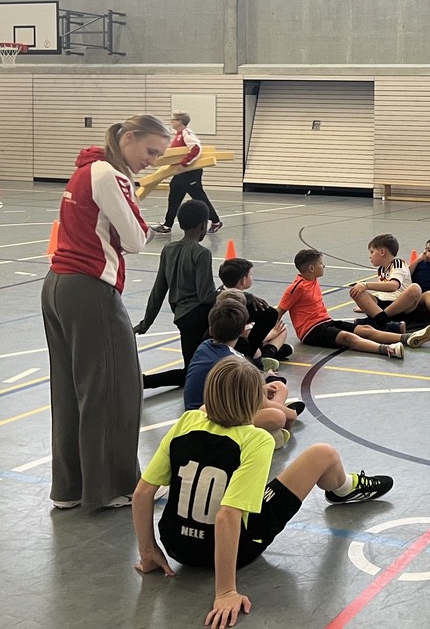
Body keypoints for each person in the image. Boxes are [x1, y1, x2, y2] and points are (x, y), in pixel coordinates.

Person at [132, 357, 393, 628]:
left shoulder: (187, 420)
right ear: (256, 402)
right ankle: (344, 487)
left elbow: (142, 493)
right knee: (323, 453)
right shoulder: (257, 439)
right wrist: (225, 592)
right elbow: (227, 515)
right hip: (236, 548)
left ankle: (343, 486)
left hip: (175, 545)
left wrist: (148, 551)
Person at [42, 113, 173, 511]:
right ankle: (117, 487)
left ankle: (70, 489)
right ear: (128, 138)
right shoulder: (111, 175)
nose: (152, 161)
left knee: (69, 391)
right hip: (90, 291)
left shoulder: (86, 169)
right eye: (151, 151)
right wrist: (140, 216)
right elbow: (135, 240)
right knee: (116, 389)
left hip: (57, 286)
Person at [183, 294, 303, 448]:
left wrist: (262, 390)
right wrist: (291, 415)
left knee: (278, 387)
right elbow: (262, 403)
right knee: (278, 417)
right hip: (211, 418)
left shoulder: (205, 345)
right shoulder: (235, 362)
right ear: (242, 331)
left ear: (211, 329)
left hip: (201, 412)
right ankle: (265, 432)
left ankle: (268, 428)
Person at [277, 249, 430, 358]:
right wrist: (271, 334)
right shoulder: (296, 288)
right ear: (311, 268)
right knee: (347, 338)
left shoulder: (313, 279)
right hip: (311, 331)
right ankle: (386, 349)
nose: (324, 266)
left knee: (366, 329)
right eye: (321, 264)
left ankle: (408, 338)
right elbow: (279, 311)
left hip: (325, 322)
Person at [136, 200, 219, 390]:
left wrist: (146, 323)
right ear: (203, 225)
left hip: (182, 318)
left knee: (191, 370)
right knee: (194, 373)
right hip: (200, 318)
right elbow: (206, 296)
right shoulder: (202, 253)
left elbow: (158, 291)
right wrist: (227, 293)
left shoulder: (168, 250)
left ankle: (141, 382)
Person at [151, 110, 221, 235]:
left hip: (190, 172)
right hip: (180, 172)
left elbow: (196, 149)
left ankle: (215, 221)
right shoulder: (178, 135)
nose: (171, 122)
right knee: (174, 197)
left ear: (180, 121)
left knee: (199, 197)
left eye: (174, 119)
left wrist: (184, 163)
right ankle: (167, 225)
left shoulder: (187, 133)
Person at [217, 257, 292, 363]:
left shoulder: (218, 293)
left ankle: (269, 351)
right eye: (250, 275)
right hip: (240, 344)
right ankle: (267, 354)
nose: (252, 277)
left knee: (282, 332)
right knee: (259, 350)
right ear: (243, 280)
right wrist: (271, 334)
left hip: (241, 339)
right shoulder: (242, 305)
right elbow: (247, 334)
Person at [348, 233, 427, 334]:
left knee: (415, 288)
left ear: (382, 252)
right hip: (382, 306)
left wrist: (365, 285)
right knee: (356, 291)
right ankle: (386, 323)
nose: (370, 256)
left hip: (400, 307)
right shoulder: (381, 269)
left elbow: (394, 286)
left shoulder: (398, 264)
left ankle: (377, 321)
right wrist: (367, 305)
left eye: (372, 252)